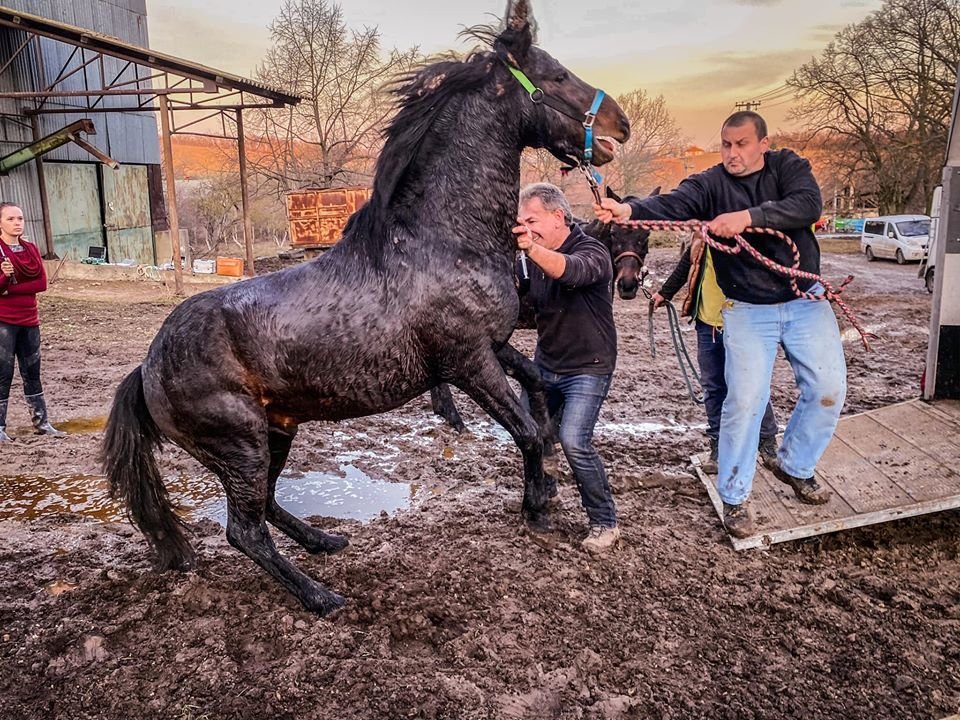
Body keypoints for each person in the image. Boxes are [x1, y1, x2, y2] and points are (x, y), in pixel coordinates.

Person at [595, 111, 846, 539]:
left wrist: (746, 218)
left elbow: (807, 205)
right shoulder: (710, 183)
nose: (732, 153)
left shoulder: (790, 167)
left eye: (742, 144)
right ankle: (735, 497)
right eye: (726, 145)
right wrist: (628, 208)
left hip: (805, 299)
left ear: (763, 144)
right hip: (747, 309)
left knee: (828, 390)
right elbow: (673, 203)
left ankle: (796, 465)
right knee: (744, 402)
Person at [513, 182, 620, 553]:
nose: (526, 227)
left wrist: (531, 248)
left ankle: (605, 521)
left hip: (588, 366)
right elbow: (521, 302)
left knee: (575, 440)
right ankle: (549, 487)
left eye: (532, 219)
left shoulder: (592, 250)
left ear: (558, 216)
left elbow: (569, 272)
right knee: (529, 429)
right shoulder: (528, 259)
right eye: (520, 222)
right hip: (547, 363)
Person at [650, 230, 780, 474]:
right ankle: (719, 446)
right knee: (713, 386)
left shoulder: (746, 236)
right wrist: (664, 293)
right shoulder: (702, 236)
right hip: (707, 323)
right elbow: (687, 263)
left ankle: (767, 440)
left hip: (744, 323)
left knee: (751, 384)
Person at [0, 202, 65, 442]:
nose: (17, 223)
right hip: (4, 321)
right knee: (3, 374)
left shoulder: (30, 249)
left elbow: (41, 284)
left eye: (20, 218)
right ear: (0, 223)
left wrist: (10, 287)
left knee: (32, 373)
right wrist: (5, 279)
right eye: (10, 219)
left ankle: (42, 423)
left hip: (30, 319)